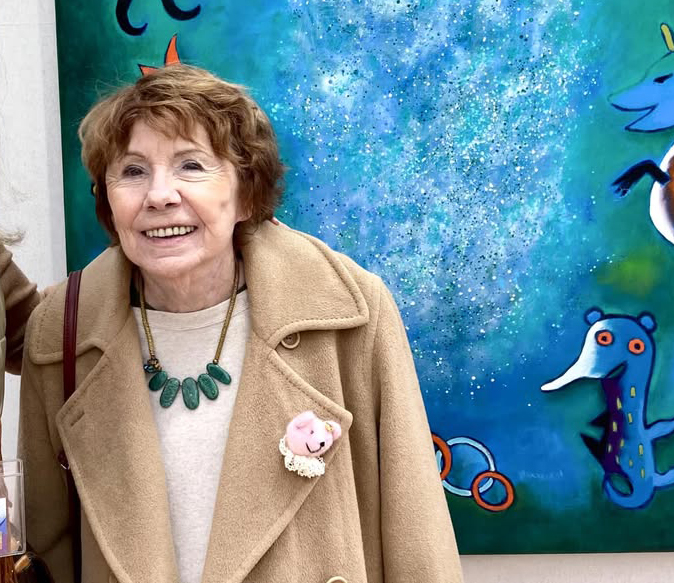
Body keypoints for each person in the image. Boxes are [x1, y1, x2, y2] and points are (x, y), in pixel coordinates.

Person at [20, 64, 463, 583]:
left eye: (191, 165)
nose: (159, 195)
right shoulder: (60, 332)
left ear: (246, 194)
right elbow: (44, 549)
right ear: (107, 201)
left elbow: (417, 537)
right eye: (133, 171)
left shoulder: (352, 312)